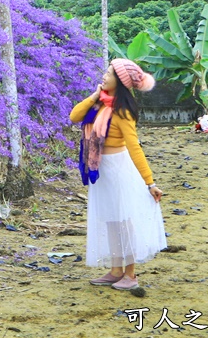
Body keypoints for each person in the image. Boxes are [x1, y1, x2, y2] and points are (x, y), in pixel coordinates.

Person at [69, 58, 166, 291]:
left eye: (110, 73)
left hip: (119, 169)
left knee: (124, 221)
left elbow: (134, 147)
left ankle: (130, 275)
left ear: (120, 82)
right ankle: (115, 270)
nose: (104, 75)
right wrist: (95, 95)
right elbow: (74, 116)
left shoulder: (122, 111)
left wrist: (149, 182)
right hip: (102, 169)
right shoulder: (100, 104)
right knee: (112, 220)